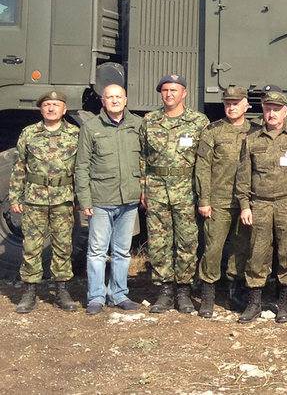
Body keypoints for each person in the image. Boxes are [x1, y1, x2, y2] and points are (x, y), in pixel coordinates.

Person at [139, 74, 209, 314]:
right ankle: (164, 289)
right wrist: (143, 187)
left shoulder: (198, 122)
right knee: (159, 242)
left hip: (186, 188)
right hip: (157, 188)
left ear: (184, 93)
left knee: (187, 241)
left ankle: (183, 290)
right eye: (165, 90)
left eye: (174, 90)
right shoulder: (149, 121)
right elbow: (142, 157)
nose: (169, 95)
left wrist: (203, 193)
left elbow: (204, 160)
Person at [235, 87, 287, 323]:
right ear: (263, 112)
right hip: (260, 203)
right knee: (257, 252)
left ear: (285, 112)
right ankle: (254, 303)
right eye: (268, 109)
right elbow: (243, 176)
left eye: (277, 109)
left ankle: (284, 303)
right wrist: (245, 205)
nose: (272, 114)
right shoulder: (252, 139)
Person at [74, 84, 143, 315]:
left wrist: (144, 190)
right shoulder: (91, 127)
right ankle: (96, 296)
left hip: (129, 199)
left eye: (118, 97)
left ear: (126, 100)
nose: (114, 101)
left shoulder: (138, 125)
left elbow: (145, 161)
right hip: (101, 199)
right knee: (97, 251)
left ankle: (119, 294)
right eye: (109, 97)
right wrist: (85, 201)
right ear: (103, 101)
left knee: (123, 251)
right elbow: (82, 166)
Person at [9, 90, 80, 313]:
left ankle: (62, 290)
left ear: (64, 109)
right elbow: (20, 165)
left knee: (63, 245)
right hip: (34, 198)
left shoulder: (75, 134)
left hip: (63, 198)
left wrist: (81, 198)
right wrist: (14, 196)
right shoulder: (29, 133)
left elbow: (81, 169)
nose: (51, 108)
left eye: (55, 104)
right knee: (31, 246)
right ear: (41, 108)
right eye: (47, 104)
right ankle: (29, 291)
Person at [194, 85, 252, 318]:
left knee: (240, 249)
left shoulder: (255, 132)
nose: (231, 107)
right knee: (213, 248)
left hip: (245, 203)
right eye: (228, 103)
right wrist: (204, 199)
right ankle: (208, 296)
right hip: (218, 200)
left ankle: (233, 293)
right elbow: (203, 167)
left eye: (236, 103)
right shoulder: (213, 131)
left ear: (246, 105)